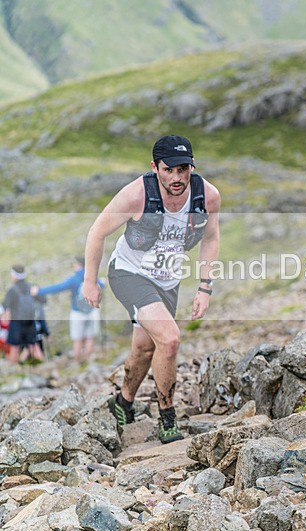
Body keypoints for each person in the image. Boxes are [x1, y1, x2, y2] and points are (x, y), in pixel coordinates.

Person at [83, 134, 220, 444]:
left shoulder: (207, 196)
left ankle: (124, 403)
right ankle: (167, 418)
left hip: (168, 281)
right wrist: (90, 282)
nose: (176, 177)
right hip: (129, 273)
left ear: (191, 167)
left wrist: (204, 287)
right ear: (155, 167)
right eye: (168, 169)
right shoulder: (135, 196)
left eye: (183, 169)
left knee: (146, 347)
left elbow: (210, 238)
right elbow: (97, 232)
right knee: (170, 340)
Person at [34, 256, 104, 361]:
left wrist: (39, 291)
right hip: (91, 311)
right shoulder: (92, 276)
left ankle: (78, 361)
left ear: (79, 265)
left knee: (77, 339)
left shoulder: (74, 279)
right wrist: (103, 282)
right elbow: (101, 285)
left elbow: (58, 288)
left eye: (75, 264)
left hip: (77, 313)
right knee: (89, 337)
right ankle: (88, 360)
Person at [1, 265, 45, 364]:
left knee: (14, 347)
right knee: (33, 345)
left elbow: (4, 307)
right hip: (30, 322)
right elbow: (43, 300)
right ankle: (44, 366)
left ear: (14, 275)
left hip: (16, 322)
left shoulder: (12, 290)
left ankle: (13, 369)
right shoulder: (31, 286)